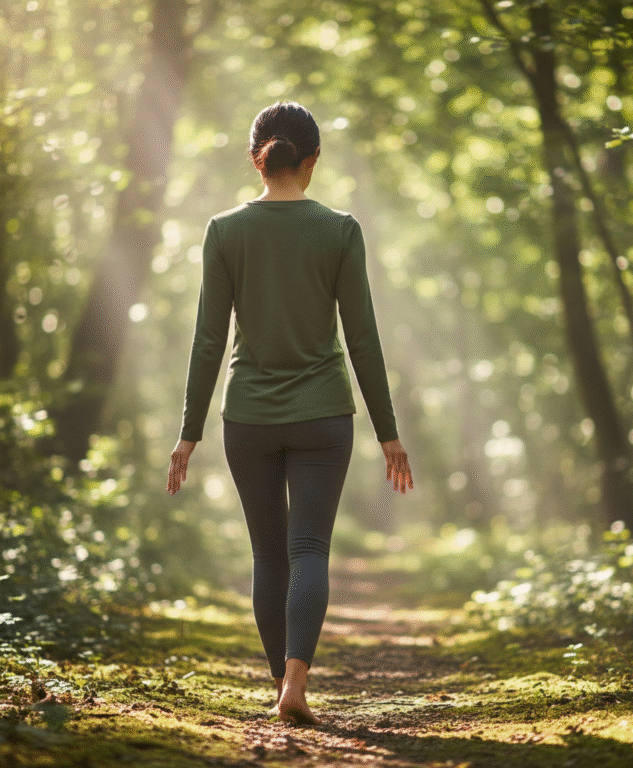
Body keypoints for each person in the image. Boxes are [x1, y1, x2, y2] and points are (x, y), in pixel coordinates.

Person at [166, 101, 413, 726]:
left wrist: (188, 434)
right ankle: (297, 684)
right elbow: (362, 338)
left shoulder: (224, 230)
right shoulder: (339, 229)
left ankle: (281, 682)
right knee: (309, 550)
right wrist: (390, 435)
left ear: (257, 156)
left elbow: (206, 339)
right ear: (312, 159)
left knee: (268, 555)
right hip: (324, 416)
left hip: (246, 416)